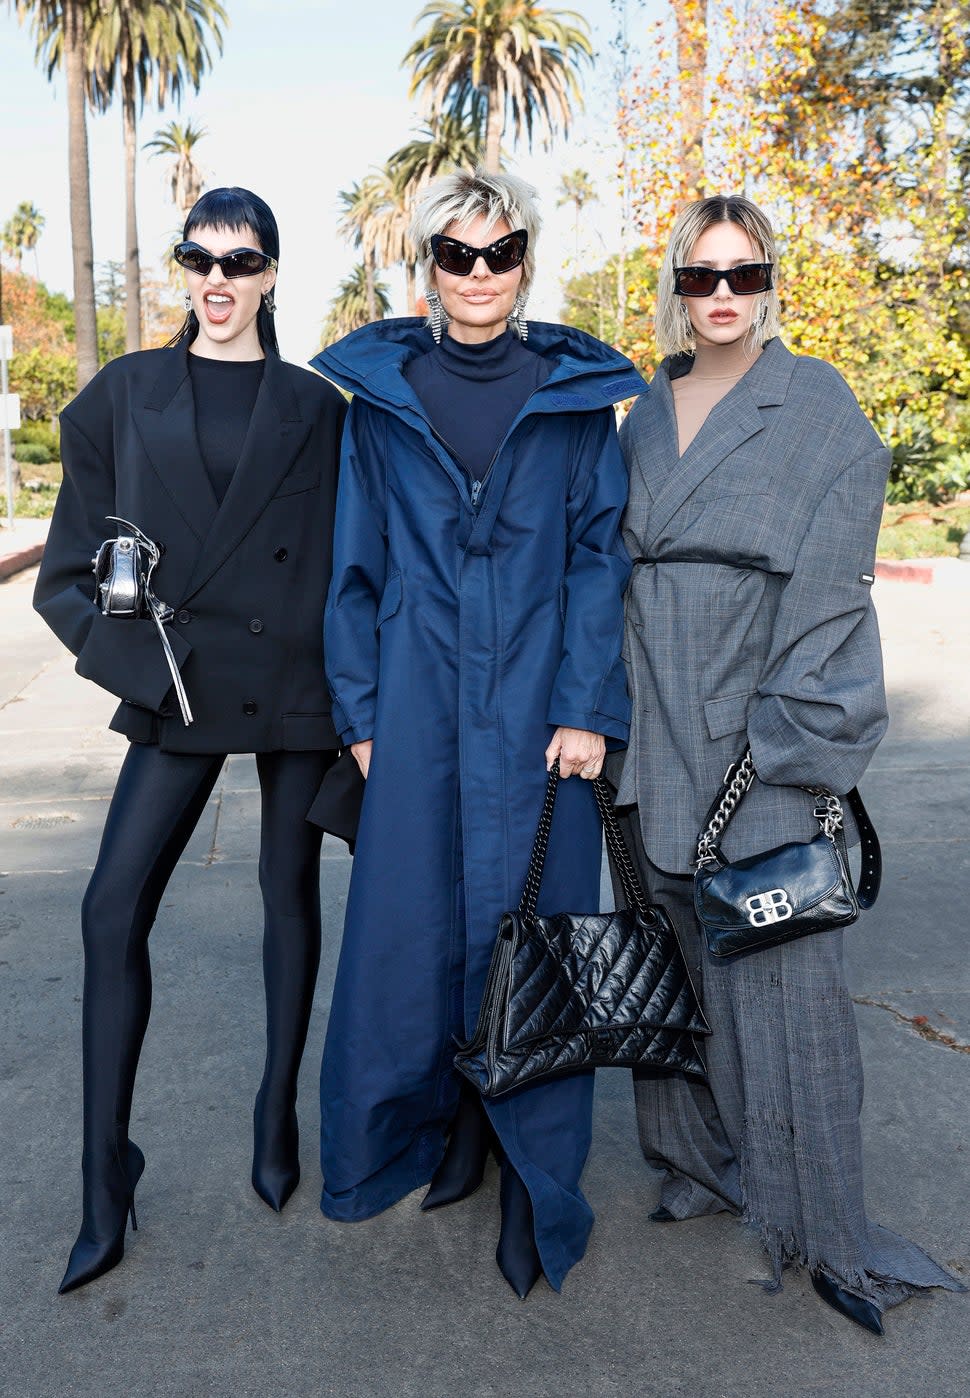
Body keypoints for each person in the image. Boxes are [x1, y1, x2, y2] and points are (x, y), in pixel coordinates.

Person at [609, 193, 964, 1333]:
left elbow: (827, 598)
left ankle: (823, 1227)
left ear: (772, 284)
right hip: (642, 708)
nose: (722, 298)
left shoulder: (815, 404)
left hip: (754, 714)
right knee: (666, 969)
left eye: (744, 276)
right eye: (702, 277)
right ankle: (699, 1168)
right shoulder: (639, 411)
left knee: (784, 989)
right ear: (676, 282)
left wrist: (782, 742)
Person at [311, 168, 644, 1298]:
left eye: (499, 253)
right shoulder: (381, 402)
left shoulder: (573, 399)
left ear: (526, 265)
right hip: (413, 707)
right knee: (411, 940)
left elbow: (602, 559)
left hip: (539, 717)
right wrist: (360, 716)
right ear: (428, 268)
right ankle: (430, 1135)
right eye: (457, 254)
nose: (480, 275)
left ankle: (533, 1174)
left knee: (535, 939)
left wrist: (587, 707)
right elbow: (351, 571)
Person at [34, 187, 348, 1293]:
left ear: (271, 274)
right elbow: (71, 567)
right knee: (108, 906)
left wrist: (361, 705)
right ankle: (103, 1173)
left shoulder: (318, 406)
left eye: (242, 260)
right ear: (183, 269)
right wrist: (131, 662)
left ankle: (275, 1118)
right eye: (198, 258)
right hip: (178, 682)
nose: (218, 280)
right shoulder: (125, 394)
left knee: (287, 896)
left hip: (295, 681)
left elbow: (349, 562)